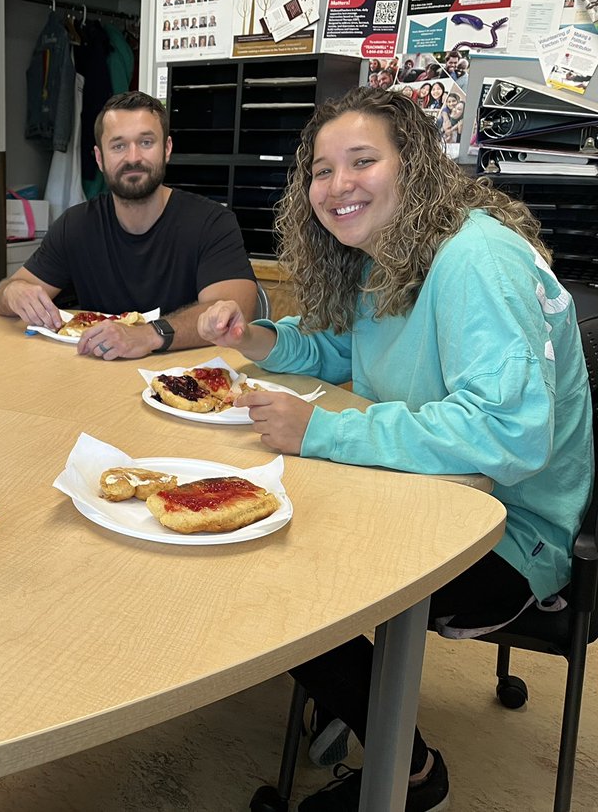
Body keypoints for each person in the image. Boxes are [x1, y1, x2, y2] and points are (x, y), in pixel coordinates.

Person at [195, 88, 592, 811]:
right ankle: (355, 696)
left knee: (286, 584)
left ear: (412, 166)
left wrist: (323, 432)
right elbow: (349, 351)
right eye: (320, 169)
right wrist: (252, 340)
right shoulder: (396, 255)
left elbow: (507, 434)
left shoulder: (476, 258)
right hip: (425, 493)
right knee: (276, 550)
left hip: (508, 532)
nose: (337, 184)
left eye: (362, 161)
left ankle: (410, 773)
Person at [0, 90, 257, 360]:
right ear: (99, 158)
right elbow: (4, 296)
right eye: (118, 145)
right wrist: (14, 292)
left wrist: (147, 335)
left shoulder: (212, 222)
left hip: (186, 381)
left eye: (145, 142)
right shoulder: (76, 225)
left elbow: (236, 311)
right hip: (95, 376)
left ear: (166, 149)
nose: (133, 157)